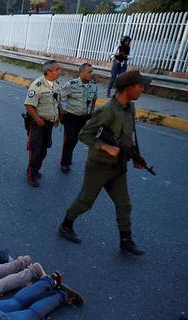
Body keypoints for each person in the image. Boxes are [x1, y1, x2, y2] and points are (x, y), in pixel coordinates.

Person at [59, 71, 151, 256]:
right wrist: (105, 147)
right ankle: (65, 225)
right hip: (99, 166)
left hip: (118, 167)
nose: (142, 89)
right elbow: (84, 134)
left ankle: (126, 240)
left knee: (124, 204)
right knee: (86, 201)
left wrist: (136, 157)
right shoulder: (107, 111)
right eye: (140, 86)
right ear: (129, 88)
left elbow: (126, 138)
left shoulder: (129, 109)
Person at [23, 60, 62, 187]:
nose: (60, 72)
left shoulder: (56, 84)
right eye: (57, 69)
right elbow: (28, 105)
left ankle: (35, 169)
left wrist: (57, 118)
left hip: (49, 123)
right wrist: (38, 119)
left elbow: (56, 102)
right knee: (36, 150)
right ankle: (31, 175)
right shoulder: (37, 85)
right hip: (37, 124)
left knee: (44, 149)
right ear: (49, 71)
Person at [60, 63, 98, 174]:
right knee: (69, 140)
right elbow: (58, 96)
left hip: (83, 118)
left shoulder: (93, 86)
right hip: (71, 117)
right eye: (89, 72)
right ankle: (65, 163)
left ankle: (67, 157)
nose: (91, 74)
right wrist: (61, 110)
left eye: (92, 71)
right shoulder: (71, 85)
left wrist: (91, 112)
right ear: (81, 73)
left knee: (76, 139)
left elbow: (94, 99)